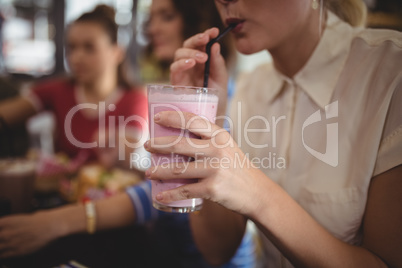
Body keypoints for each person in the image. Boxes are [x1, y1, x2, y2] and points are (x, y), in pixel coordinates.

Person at [145, 0, 402, 267]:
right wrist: (209, 118)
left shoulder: (392, 74)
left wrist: (257, 194)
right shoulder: (250, 87)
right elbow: (217, 249)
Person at [0, 2, 255, 267]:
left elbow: (164, 189)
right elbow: (163, 175)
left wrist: (57, 222)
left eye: (166, 17)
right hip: (164, 250)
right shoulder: (177, 92)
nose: (151, 28)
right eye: (150, 18)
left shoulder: (225, 100)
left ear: (199, 22)